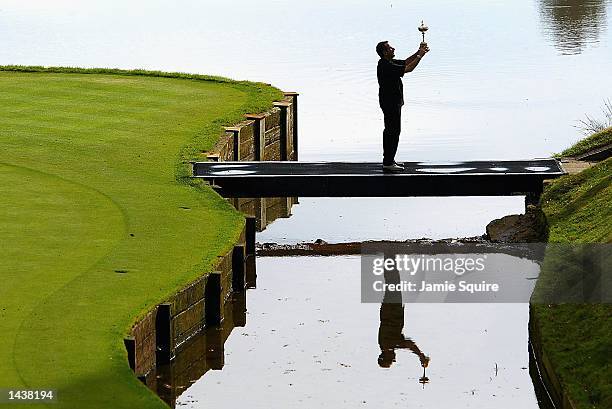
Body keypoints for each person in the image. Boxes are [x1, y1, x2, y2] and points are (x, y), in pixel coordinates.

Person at [376, 40, 429, 172]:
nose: (393, 49)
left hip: (392, 102)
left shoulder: (389, 62)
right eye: (389, 48)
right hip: (390, 103)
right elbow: (408, 69)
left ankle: (389, 160)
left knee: (392, 131)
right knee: (392, 131)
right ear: (384, 52)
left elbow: (405, 62)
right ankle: (388, 162)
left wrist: (419, 51)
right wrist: (420, 56)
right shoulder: (385, 65)